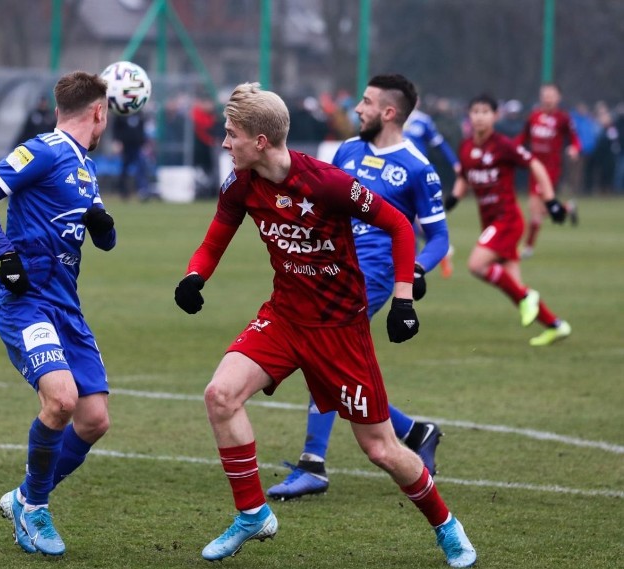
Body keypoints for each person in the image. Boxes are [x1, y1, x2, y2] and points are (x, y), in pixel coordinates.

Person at [174, 82, 476, 568]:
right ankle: (252, 514)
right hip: (284, 318)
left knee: (380, 449)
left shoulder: (327, 183)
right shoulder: (241, 184)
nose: (224, 143)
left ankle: (447, 527)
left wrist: (403, 301)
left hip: (339, 330)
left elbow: (399, 224)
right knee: (220, 395)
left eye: (231, 135)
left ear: (262, 141)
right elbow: (214, 241)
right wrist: (194, 277)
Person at [266, 74, 449, 501]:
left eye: (366, 103)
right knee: (331, 364)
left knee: (321, 351)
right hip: (332, 268)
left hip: (376, 274)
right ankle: (414, 430)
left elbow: (439, 236)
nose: (358, 109)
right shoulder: (348, 150)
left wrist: (417, 269)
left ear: (388, 112)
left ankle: (313, 463)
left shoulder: (418, 168)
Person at [0, 71, 116, 557]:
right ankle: (34, 508)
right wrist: (6, 258)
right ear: (98, 111)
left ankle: (26, 494)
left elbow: (106, 240)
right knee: (62, 400)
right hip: (26, 300)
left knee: (94, 420)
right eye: (106, 112)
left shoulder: (85, 167)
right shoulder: (44, 150)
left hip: (65, 306)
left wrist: (102, 223)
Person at [445, 94, 570, 347]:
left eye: (485, 111)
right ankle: (556, 325)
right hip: (489, 221)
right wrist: (452, 200)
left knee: (476, 265)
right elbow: (464, 177)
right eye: (475, 111)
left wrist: (550, 200)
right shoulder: (466, 146)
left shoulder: (503, 145)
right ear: (469, 116)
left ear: (495, 116)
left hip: (507, 220)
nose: (479, 116)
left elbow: (535, 164)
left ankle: (528, 298)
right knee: (514, 286)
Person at [515, 84, 580, 258]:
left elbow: (574, 139)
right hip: (533, 166)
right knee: (538, 209)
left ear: (558, 98)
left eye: (552, 95)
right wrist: (512, 149)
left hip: (550, 169)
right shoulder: (534, 117)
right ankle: (567, 208)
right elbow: (523, 137)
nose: (548, 98)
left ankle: (528, 248)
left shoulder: (563, 118)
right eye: (545, 95)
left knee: (535, 208)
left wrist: (574, 148)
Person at [403, 98, 460, 278]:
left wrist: (455, 163)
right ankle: (432, 255)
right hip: (397, 176)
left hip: (418, 178)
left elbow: (440, 144)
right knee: (410, 220)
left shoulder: (423, 121)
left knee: (415, 220)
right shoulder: (392, 120)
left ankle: (416, 264)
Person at [111, 111, 152, 200]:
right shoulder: (121, 113)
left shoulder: (139, 113)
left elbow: (142, 129)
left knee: (141, 168)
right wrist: (116, 141)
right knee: (124, 170)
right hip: (126, 147)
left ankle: (143, 191)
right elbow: (116, 129)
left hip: (137, 147)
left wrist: (144, 144)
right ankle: (123, 192)